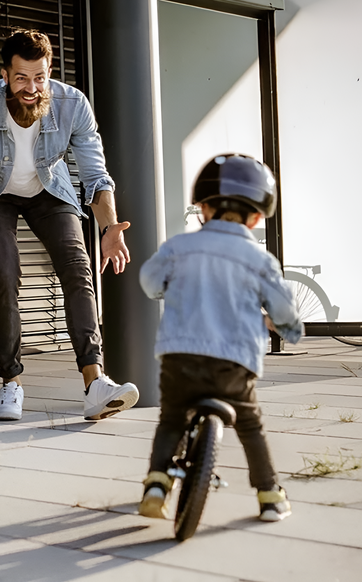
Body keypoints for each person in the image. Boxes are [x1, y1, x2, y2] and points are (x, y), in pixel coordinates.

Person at [0, 29, 139, 422]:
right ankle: (11, 383)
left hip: (50, 188)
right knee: (5, 274)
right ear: (5, 75)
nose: (31, 87)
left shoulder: (72, 104)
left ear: (50, 71)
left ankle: (95, 383)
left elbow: (95, 176)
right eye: (21, 77)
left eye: (40, 77)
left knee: (78, 269)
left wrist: (109, 226)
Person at [138, 154, 303, 522]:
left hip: (179, 358)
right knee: (249, 424)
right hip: (234, 364)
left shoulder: (178, 247)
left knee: (172, 418)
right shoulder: (259, 260)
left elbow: (150, 283)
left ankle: (156, 485)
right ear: (258, 217)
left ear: (203, 209)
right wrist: (291, 331)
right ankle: (270, 495)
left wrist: (170, 287)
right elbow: (284, 309)